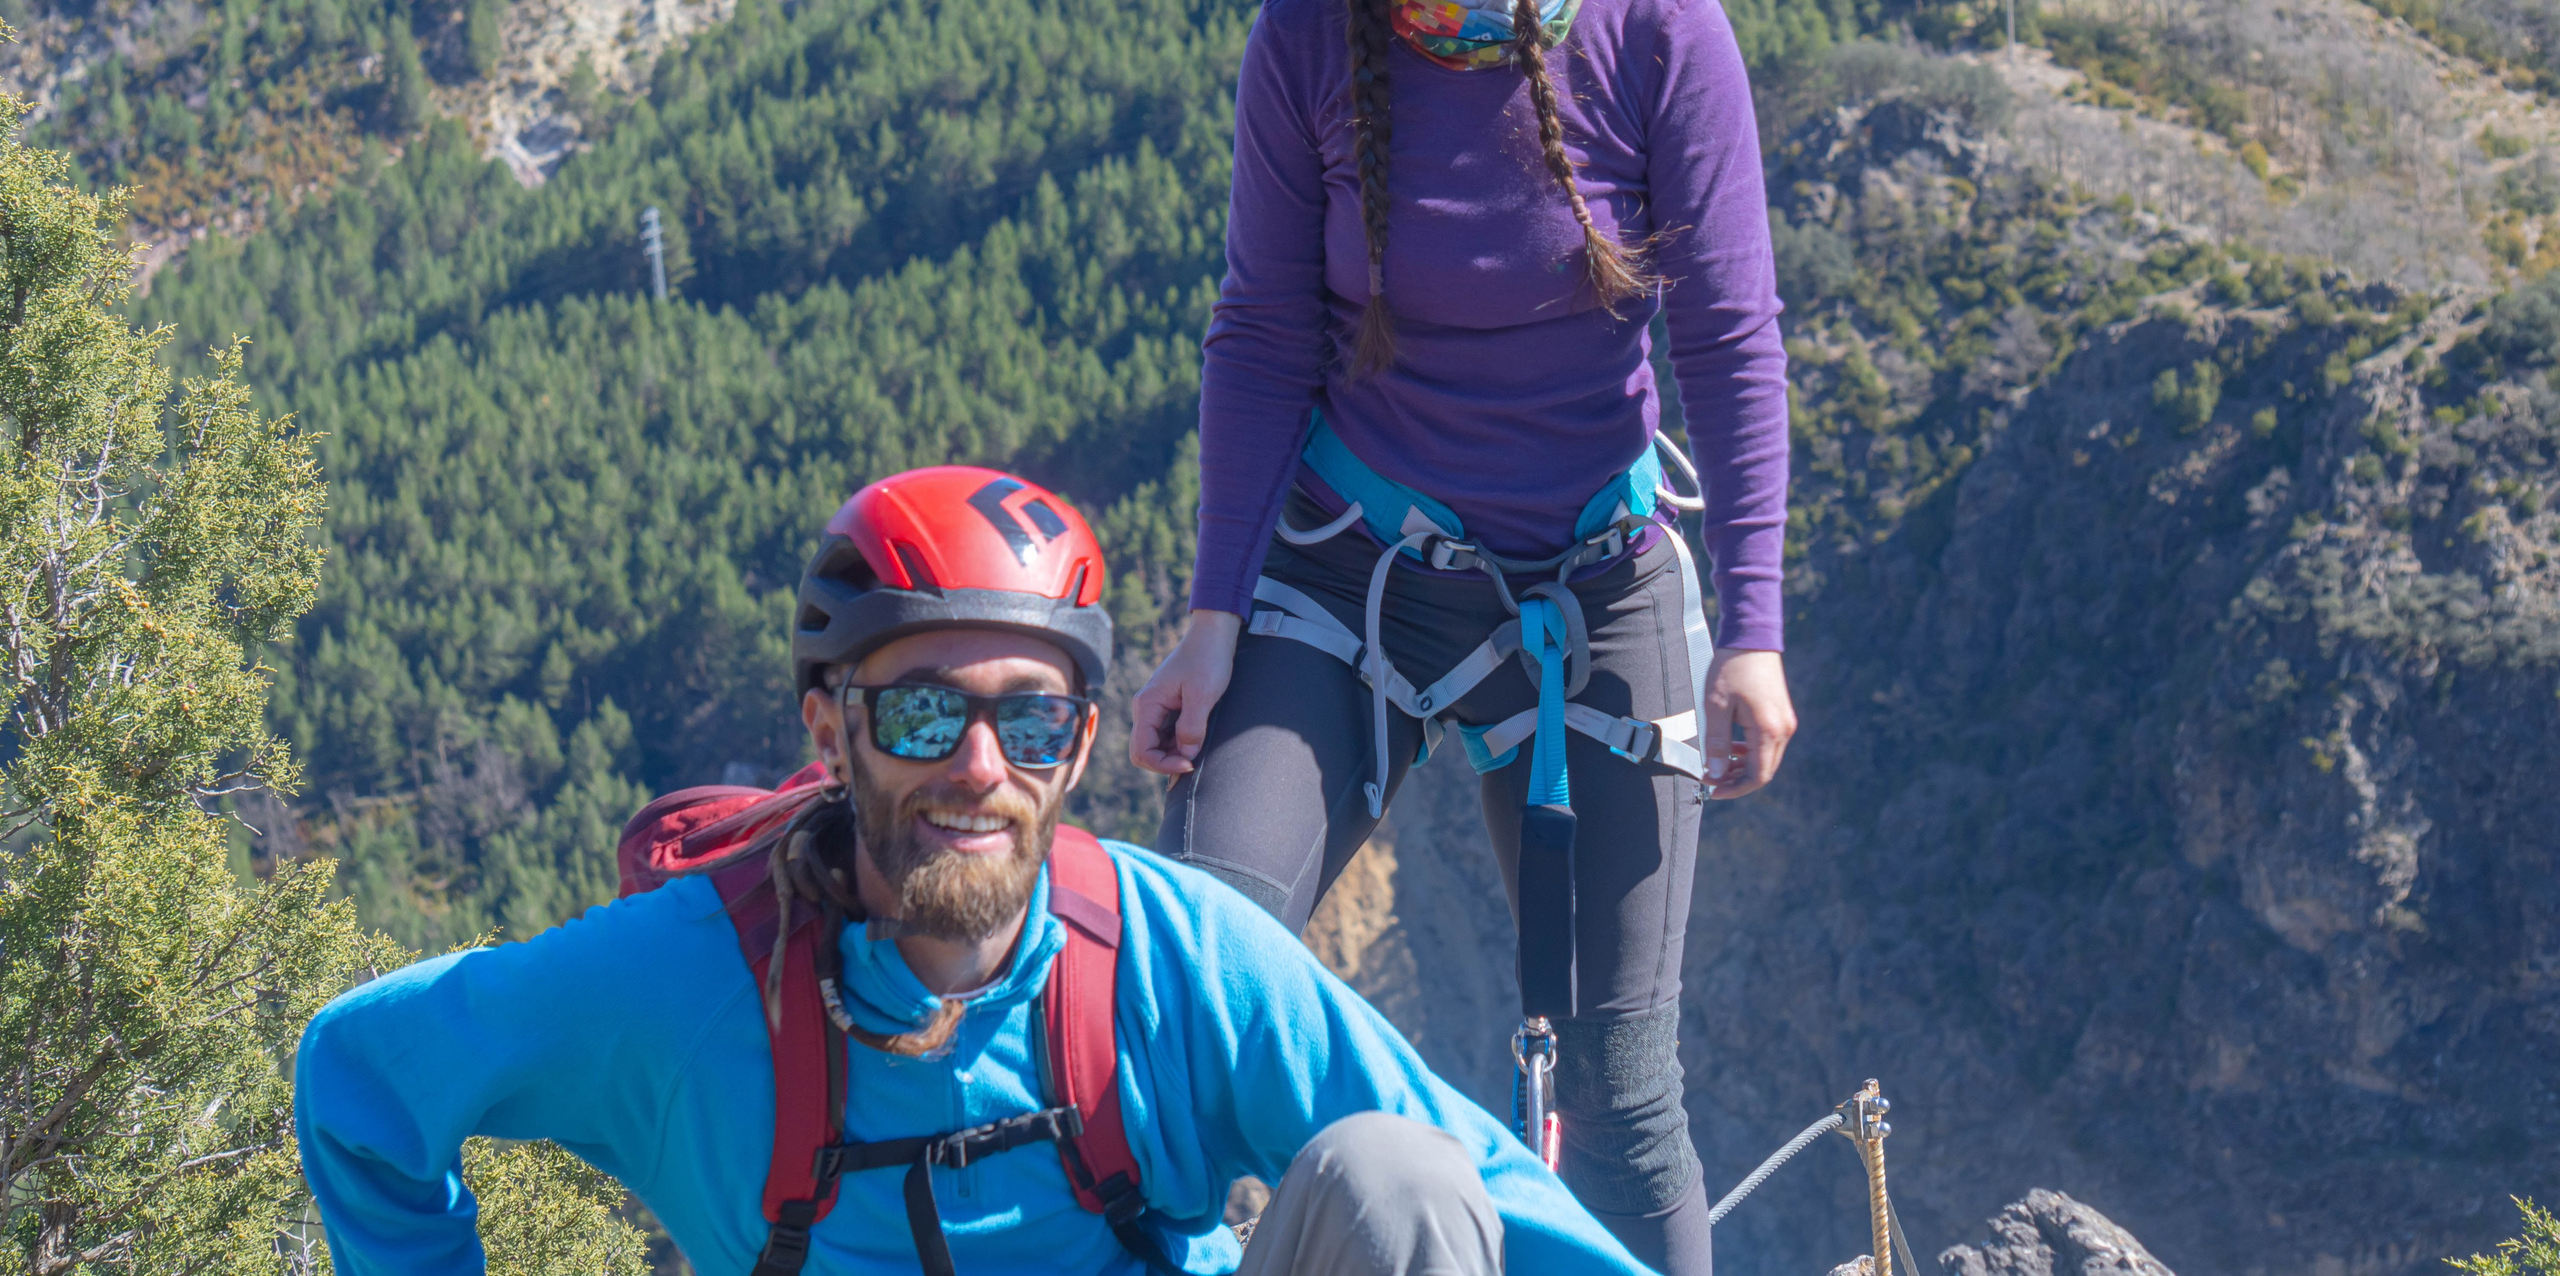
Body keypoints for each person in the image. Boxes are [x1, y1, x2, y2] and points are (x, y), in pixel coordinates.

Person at [1130, 0, 1796, 1276]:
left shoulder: (1657, 30)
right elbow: (1263, 334)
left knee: (1615, 1085)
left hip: (1598, 589)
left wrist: (1754, 630)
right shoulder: (1303, 49)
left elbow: (1729, 341)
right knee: (1193, 980)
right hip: (1352, 572)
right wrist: (1211, 619)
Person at [295, 465, 1656, 1276]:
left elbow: (1490, 1197)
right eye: (922, 714)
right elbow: (360, 1075)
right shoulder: (691, 983)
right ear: (831, 730)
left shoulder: (1166, 956)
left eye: (1033, 718)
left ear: (1080, 749)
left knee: (1399, 1179)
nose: (979, 766)